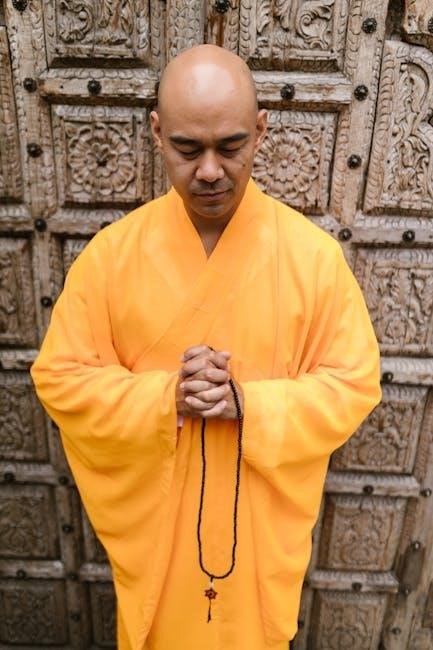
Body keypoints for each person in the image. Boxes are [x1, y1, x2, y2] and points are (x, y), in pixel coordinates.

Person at [31, 45, 381, 650]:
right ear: (156, 133)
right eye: (188, 149)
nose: (211, 171)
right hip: (159, 546)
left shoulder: (313, 260)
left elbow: (353, 382)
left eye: (231, 146)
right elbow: (60, 376)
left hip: (258, 542)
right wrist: (165, 398)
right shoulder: (112, 258)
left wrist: (248, 403)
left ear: (261, 131)